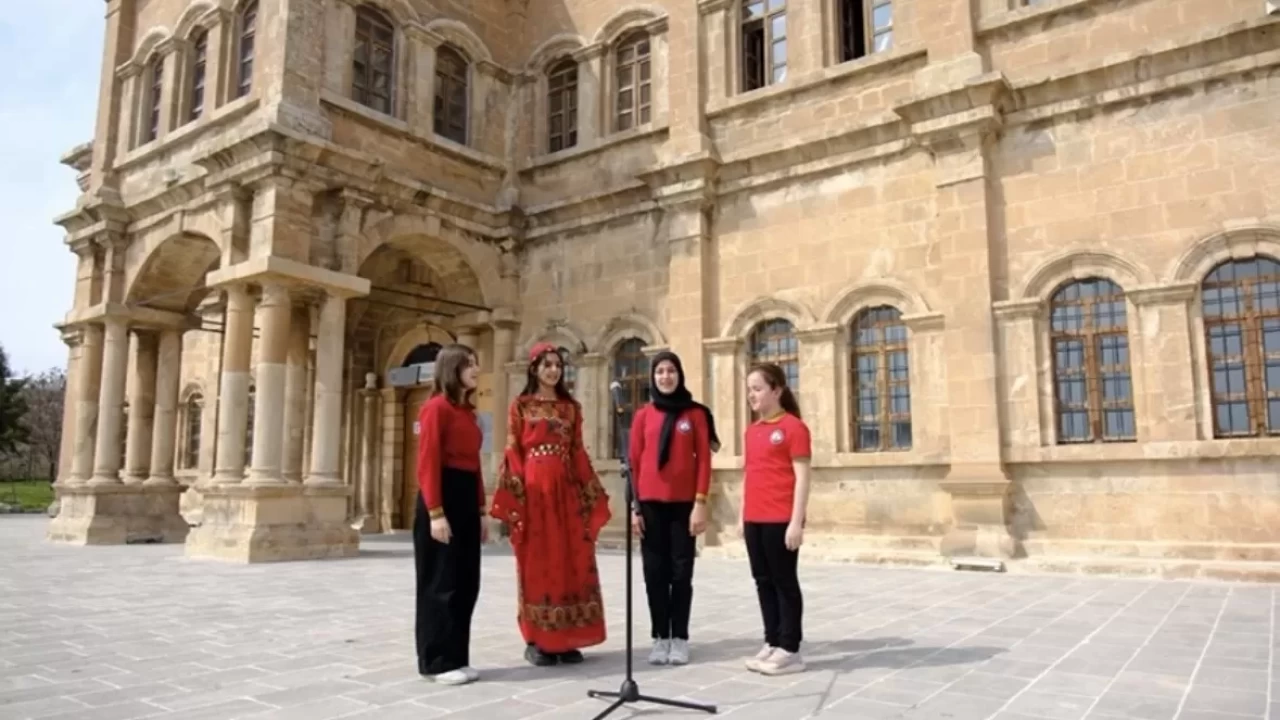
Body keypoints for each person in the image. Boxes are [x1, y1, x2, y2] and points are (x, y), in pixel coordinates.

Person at [490, 342, 612, 666]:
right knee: (538, 563)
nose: (553, 370)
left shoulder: (571, 408)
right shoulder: (521, 406)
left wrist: (591, 491)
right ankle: (538, 639)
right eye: (547, 365)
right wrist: (515, 497)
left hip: (565, 493)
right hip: (534, 492)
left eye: (558, 365)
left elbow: (577, 453)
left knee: (571, 558)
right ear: (534, 368)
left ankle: (567, 637)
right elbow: (513, 450)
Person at [627, 350, 719, 666]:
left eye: (671, 371)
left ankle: (679, 637)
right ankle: (659, 638)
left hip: (683, 506)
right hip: (650, 505)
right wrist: (634, 508)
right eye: (660, 372)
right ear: (653, 377)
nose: (665, 377)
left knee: (681, 574)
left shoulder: (694, 415)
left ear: (679, 375)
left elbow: (705, 461)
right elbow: (634, 463)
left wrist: (700, 504)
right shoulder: (643, 416)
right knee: (654, 574)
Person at [413, 343, 489, 685]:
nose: (476, 370)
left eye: (475, 364)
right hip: (441, 497)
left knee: (465, 582)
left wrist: (482, 510)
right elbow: (427, 462)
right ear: (452, 369)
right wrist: (435, 512)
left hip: (465, 497)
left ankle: (457, 655)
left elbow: (474, 465)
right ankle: (436, 661)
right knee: (439, 583)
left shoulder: (468, 413)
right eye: (469, 364)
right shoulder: (435, 409)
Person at [740, 362, 811, 676]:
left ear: (777, 390)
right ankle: (772, 640)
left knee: (784, 583)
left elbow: (803, 478)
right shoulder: (752, 431)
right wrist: (743, 517)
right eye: (749, 390)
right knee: (762, 581)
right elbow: (749, 476)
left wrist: (797, 522)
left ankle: (790, 647)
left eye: (757, 389)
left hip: (781, 518)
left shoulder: (794, 428)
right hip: (755, 518)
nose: (751, 396)